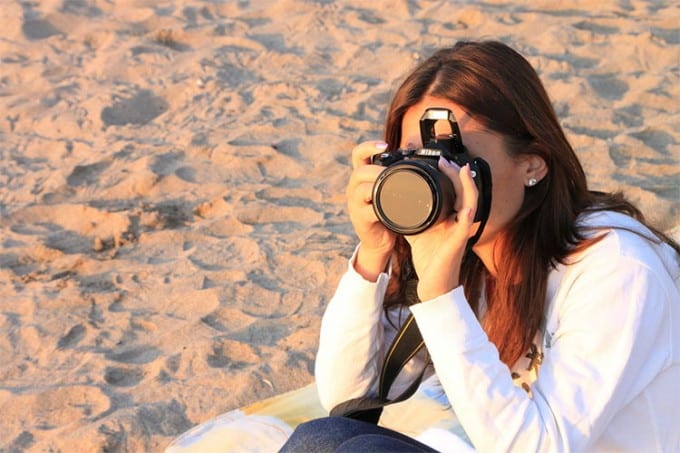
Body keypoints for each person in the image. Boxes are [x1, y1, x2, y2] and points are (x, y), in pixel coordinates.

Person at [280, 40, 680, 452]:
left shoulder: (617, 268)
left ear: (533, 162)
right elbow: (349, 398)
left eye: (456, 156)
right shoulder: (457, 250)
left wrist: (440, 297)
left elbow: (537, 447)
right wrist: (372, 255)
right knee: (320, 441)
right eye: (419, 160)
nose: (441, 179)